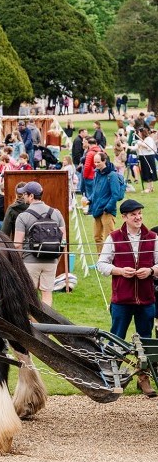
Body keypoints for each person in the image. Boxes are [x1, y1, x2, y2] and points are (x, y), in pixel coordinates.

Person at [97, 199, 158, 397]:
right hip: (122, 300)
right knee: (116, 340)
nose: (138, 217)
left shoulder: (153, 237)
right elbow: (101, 265)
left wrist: (150, 270)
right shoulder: (114, 238)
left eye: (140, 213)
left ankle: (144, 379)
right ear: (124, 217)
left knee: (146, 340)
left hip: (147, 299)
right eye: (133, 214)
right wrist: (120, 271)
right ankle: (114, 379)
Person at [14, 181, 66, 307]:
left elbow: (17, 244)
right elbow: (63, 241)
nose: (23, 197)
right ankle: (45, 322)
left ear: (31, 196)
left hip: (30, 260)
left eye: (25, 194)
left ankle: (32, 322)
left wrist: (20, 262)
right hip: (51, 260)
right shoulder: (56, 213)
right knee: (47, 294)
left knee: (29, 294)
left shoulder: (23, 216)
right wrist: (56, 259)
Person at [88, 152, 122, 254]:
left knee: (109, 238)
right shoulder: (97, 173)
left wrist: (107, 208)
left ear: (104, 161)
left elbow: (115, 194)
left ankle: (112, 261)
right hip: (97, 209)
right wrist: (89, 199)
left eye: (98, 162)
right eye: (95, 162)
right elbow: (95, 191)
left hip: (107, 211)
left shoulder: (112, 175)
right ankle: (101, 261)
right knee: (97, 237)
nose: (96, 164)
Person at [128, 127, 157, 193]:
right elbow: (135, 148)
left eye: (138, 133)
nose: (138, 134)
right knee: (145, 171)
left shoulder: (148, 139)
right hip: (143, 157)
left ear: (141, 133)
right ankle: (150, 187)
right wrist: (127, 146)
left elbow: (150, 148)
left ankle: (149, 188)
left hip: (148, 157)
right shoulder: (141, 140)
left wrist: (141, 144)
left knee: (148, 171)